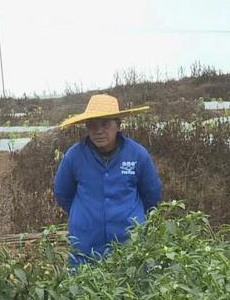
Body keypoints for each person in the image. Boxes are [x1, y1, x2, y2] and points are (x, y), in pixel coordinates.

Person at [54, 94, 161, 265]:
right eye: (92, 125)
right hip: (85, 250)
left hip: (129, 250)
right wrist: (84, 215)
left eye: (105, 124)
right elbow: (62, 193)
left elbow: (152, 197)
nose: (98, 131)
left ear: (118, 125)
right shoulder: (74, 156)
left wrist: (130, 218)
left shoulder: (138, 155)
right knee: (84, 289)